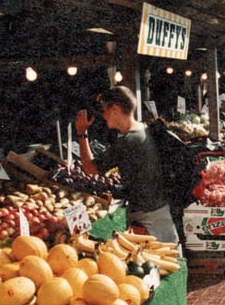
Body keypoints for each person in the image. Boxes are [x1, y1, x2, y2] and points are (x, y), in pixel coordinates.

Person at [75, 86, 178, 243]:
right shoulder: (145, 130)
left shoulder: (128, 141)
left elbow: (90, 169)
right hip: (161, 215)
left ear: (115, 109)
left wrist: (82, 133)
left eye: (104, 109)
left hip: (148, 222)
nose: (103, 115)